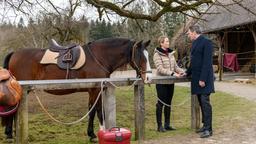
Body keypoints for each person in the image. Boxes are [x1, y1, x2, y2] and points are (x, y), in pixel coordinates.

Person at [186, 25, 215, 138]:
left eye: (189, 33)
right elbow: (193, 61)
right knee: (201, 103)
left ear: (194, 32)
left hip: (204, 79)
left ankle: (209, 129)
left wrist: (202, 79)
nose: (188, 35)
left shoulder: (206, 42)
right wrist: (187, 72)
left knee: (205, 103)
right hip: (196, 78)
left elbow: (207, 62)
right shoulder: (194, 43)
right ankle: (205, 126)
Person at [153, 36, 184, 132]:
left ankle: (167, 124)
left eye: (168, 41)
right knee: (161, 104)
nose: (168, 42)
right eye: (166, 41)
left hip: (170, 82)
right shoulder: (156, 55)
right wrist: (173, 73)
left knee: (168, 103)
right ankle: (159, 126)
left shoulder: (171, 54)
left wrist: (182, 71)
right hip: (161, 82)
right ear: (161, 43)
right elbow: (160, 69)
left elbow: (175, 67)